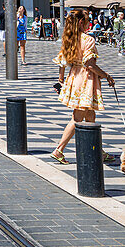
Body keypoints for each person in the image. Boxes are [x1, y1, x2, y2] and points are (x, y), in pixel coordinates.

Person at [50, 9, 114, 164]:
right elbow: (90, 64)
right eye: (86, 22)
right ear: (80, 22)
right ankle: (59, 149)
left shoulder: (69, 39)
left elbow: (62, 62)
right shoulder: (88, 39)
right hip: (86, 79)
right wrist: (106, 76)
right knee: (77, 117)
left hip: (74, 77)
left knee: (90, 114)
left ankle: (97, 148)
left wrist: (60, 79)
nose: (88, 24)